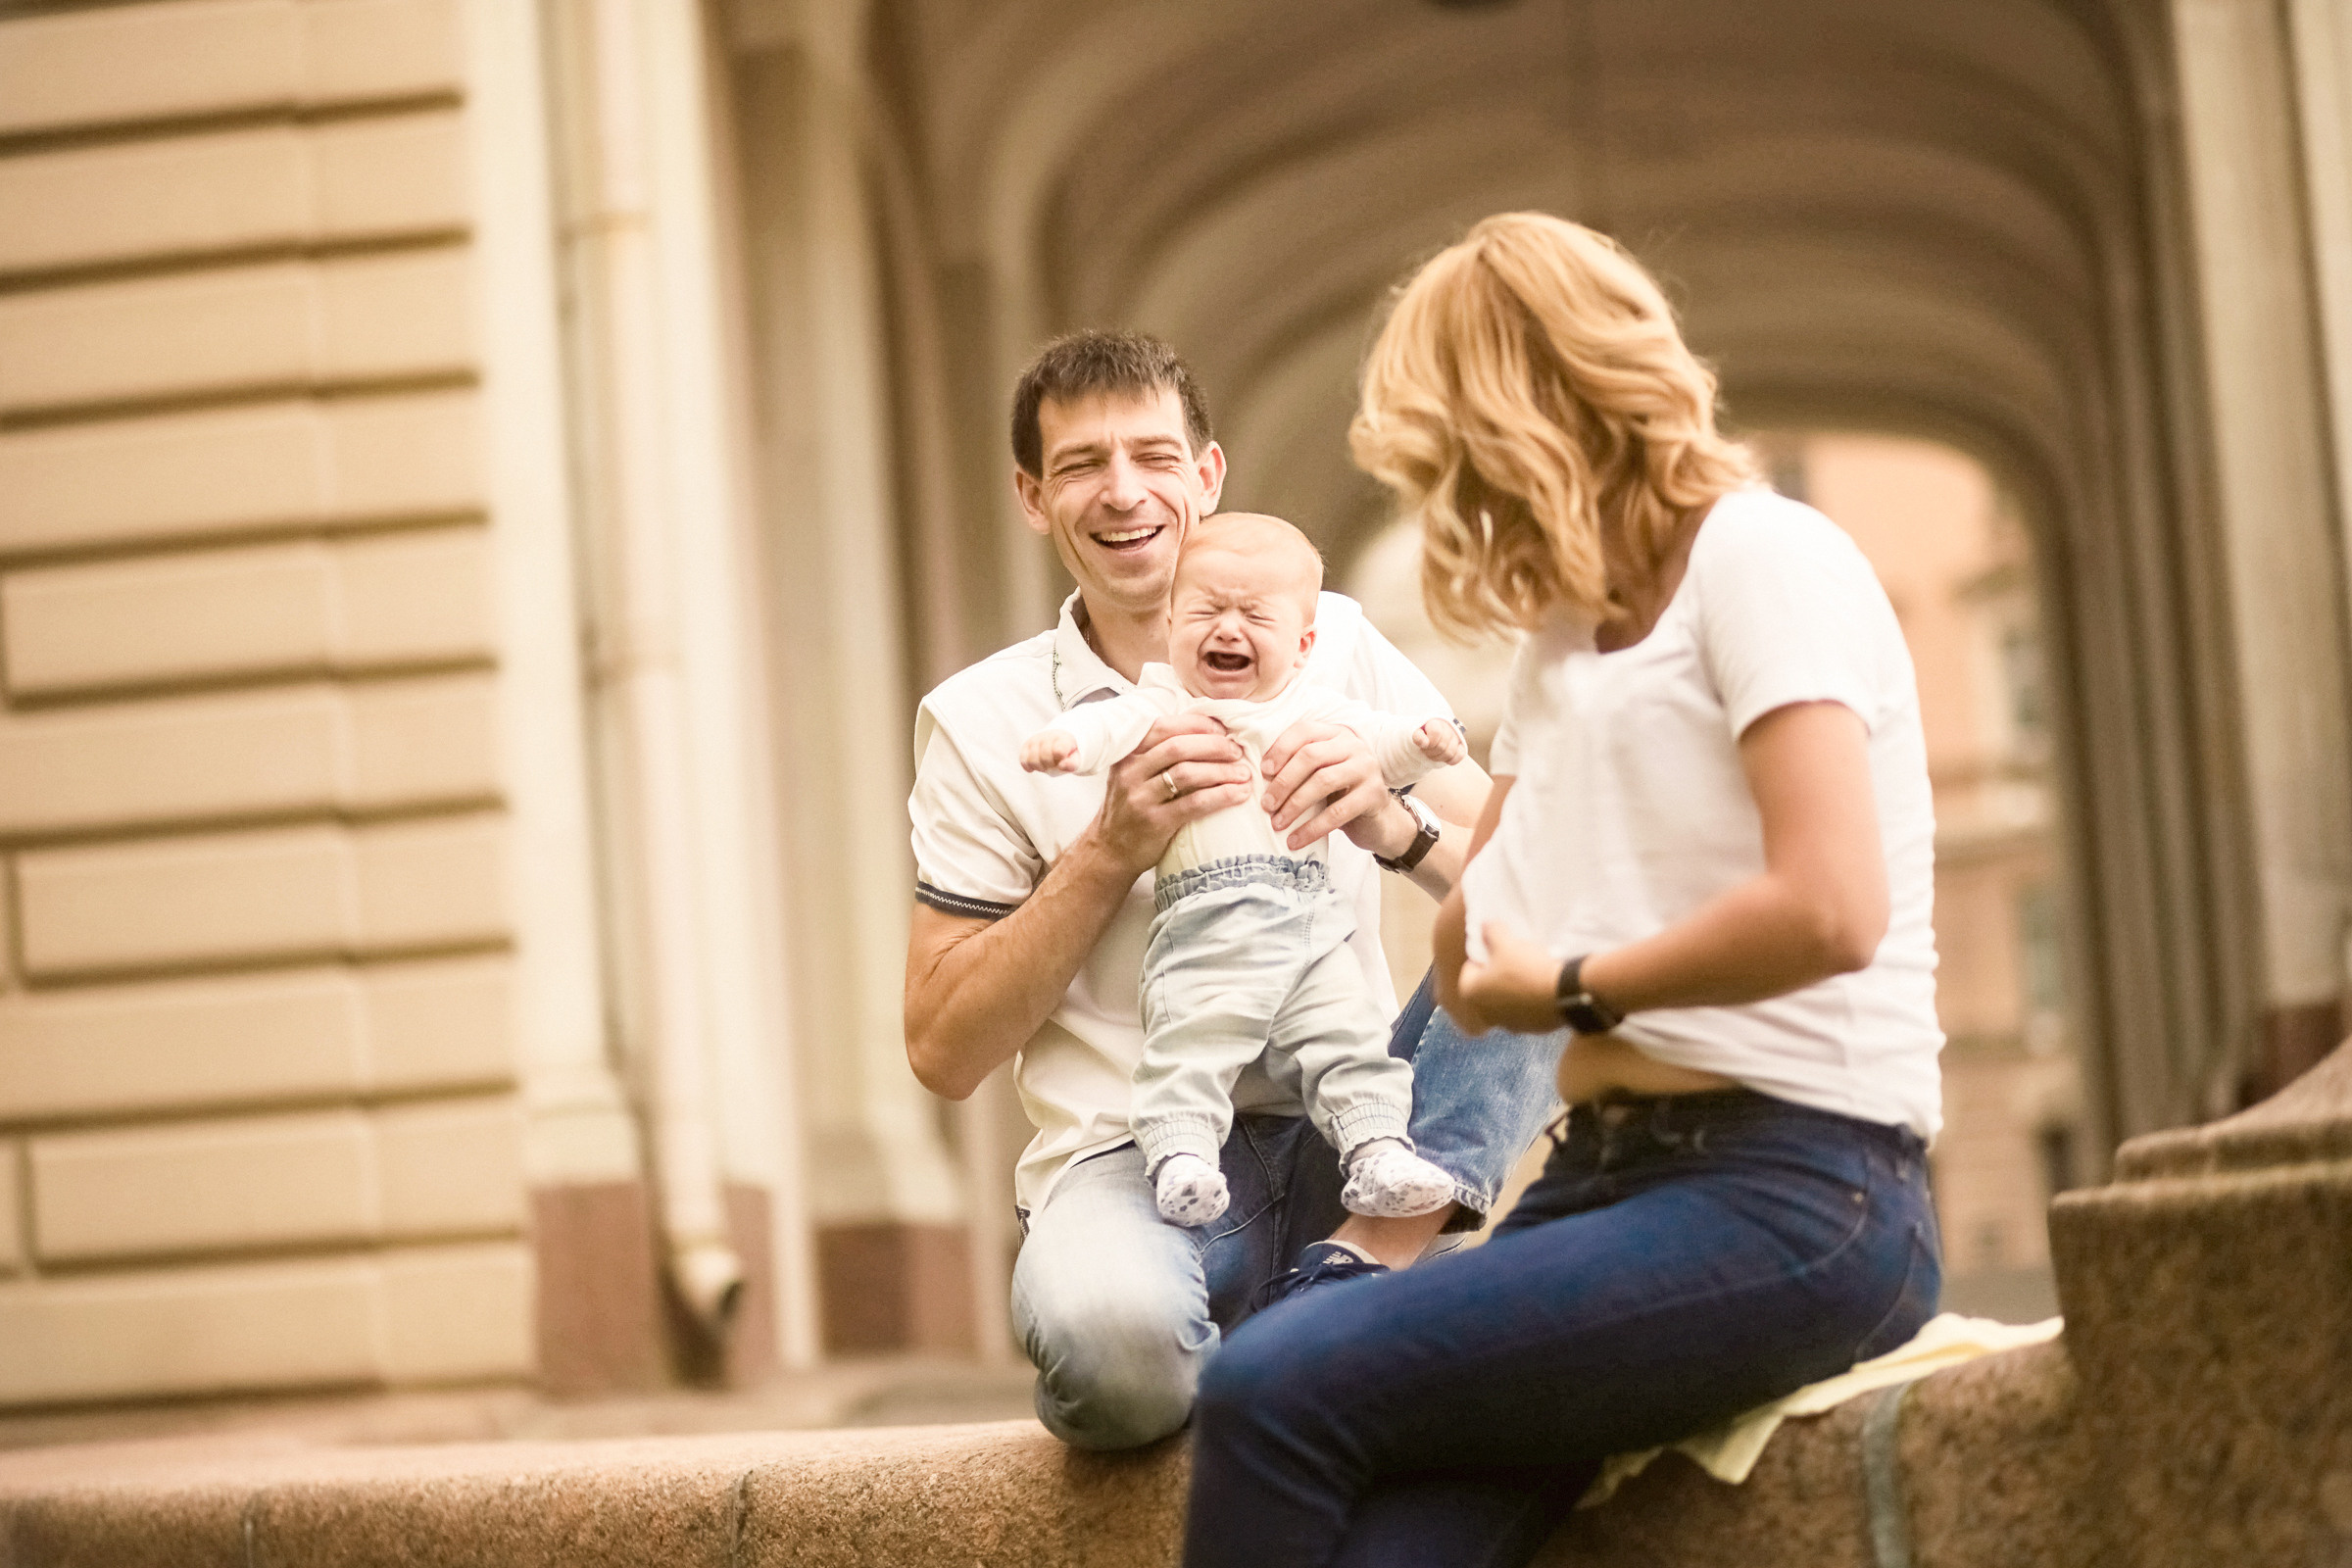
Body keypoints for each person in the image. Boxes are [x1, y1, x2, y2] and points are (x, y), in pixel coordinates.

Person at [1183, 213, 1945, 1567]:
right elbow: (1489, 923)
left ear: (1538, 411)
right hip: (1604, 1182)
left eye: (1454, 450)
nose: (1451, 498)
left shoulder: (1761, 559)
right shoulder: (1564, 637)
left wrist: (1573, 983)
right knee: (1401, 1544)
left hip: (1801, 1190)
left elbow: (1832, 905)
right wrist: (1433, 862)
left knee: (1268, 1386)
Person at [904, 331, 1561, 1451]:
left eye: (1155, 456)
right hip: (1131, 1150)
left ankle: (1355, 1273)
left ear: (1205, 478)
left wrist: (1396, 826)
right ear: (1031, 496)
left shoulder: (1337, 639)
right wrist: (1107, 849)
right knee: (1114, 1357)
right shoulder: (984, 721)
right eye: (1081, 465)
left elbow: (1531, 881)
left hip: (1352, 1123)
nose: (1124, 492)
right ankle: (1324, 1345)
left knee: (1558, 926)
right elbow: (944, 1050)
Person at [1021, 512, 1466, 1228]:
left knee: (1348, 1036)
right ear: (1170, 625)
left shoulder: (1317, 709)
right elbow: (1107, 727)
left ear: (1304, 643)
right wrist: (1066, 741)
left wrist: (1423, 742)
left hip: (1312, 931)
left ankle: (1377, 1147)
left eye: (1255, 615)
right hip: (1206, 930)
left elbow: (1382, 747)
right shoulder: (1163, 706)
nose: (1228, 629)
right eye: (1206, 611)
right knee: (1190, 1043)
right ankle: (1182, 1158)